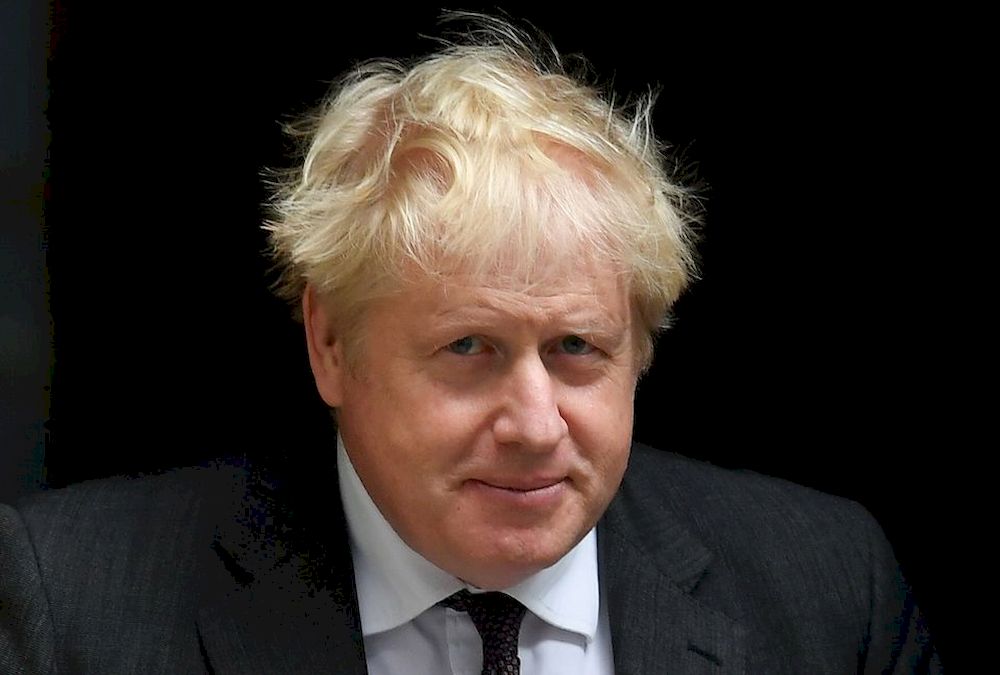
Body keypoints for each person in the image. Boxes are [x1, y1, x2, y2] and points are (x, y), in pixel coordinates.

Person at [1, 13, 939, 674]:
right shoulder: (73, 602)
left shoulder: (827, 590)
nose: (535, 424)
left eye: (577, 346)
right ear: (329, 343)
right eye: (469, 349)